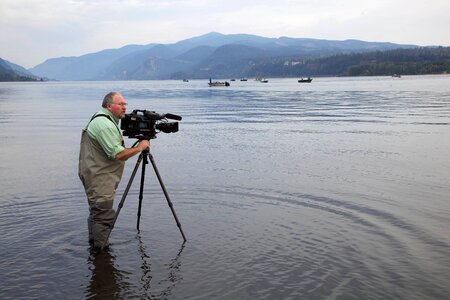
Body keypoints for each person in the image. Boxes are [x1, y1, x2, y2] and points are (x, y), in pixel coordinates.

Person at [79, 92, 150, 249]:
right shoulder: (104, 125)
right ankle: (101, 253)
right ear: (109, 106)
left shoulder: (101, 119)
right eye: (121, 104)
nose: (125, 107)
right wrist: (140, 147)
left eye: (125, 104)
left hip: (95, 173)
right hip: (100, 177)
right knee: (103, 215)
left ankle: (94, 249)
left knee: (97, 212)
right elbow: (117, 154)